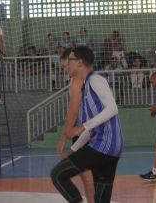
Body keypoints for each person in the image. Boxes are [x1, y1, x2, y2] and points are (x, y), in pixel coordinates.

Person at [51, 46, 124, 203]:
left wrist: (81, 127)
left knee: (58, 175)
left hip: (104, 145)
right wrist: (73, 149)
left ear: (79, 62)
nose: (66, 66)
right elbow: (92, 130)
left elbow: (113, 108)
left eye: (69, 60)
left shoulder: (95, 80)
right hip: (111, 148)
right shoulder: (86, 88)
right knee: (101, 197)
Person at [55, 48, 95, 203]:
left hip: (85, 130)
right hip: (85, 130)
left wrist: (64, 137)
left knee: (85, 173)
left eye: (66, 66)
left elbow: (73, 109)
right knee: (85, 173)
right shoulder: (84, 79)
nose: (65, 70)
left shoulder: (77, 80)